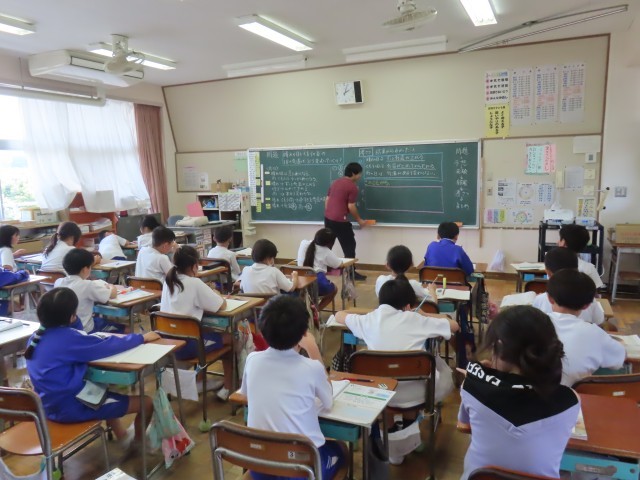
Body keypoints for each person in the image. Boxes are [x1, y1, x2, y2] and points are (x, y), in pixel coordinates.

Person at [335, 278, 459, 464]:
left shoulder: (368, 320)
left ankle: (393, 444)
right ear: (408, 305)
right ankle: (409, 435)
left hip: (380, 394)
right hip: (419, 393)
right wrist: (425, 314)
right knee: (432, 370)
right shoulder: (416, 319)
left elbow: (339, 315)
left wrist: (367, 314)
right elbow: (454, 326)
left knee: (388, 383)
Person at [25, 288, 159, 448]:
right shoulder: (69, 339)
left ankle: (122, 436)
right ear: (71, 316)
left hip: (48, 406)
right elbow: (107, 346)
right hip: (72, 407)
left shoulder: (35, 338)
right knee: (147, 402)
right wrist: (141, 338)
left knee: (101, 389)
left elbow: (79, 335)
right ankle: (137, 445)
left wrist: (72, 320)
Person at [458, 306, 580, 479]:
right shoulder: (570, 400)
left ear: (499, 347)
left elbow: (464, 423)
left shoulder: (472, 387)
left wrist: (484, 377)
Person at [240, 295, 343, 480]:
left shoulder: (252, 360)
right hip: (302, 470)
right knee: (340, 450)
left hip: (260, 465)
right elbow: (328, 403)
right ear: (303, 333)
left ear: (262, 330)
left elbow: (245, 395)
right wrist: (313, 350)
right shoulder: (311, 368)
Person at [160, 245, 233, 401]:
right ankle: (228, 387)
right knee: (230, 338)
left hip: (167, 344)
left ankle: (200, 381)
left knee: (204, 332)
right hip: (186, 347)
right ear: (194, 266)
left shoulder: (169, 281)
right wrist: (215, 293)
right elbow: (222, 305)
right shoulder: (194, 283)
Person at [547, 269, 625, 386]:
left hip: (527, 393)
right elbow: (618, 360)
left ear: (549, 298)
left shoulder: (532, 323)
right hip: (574, 394)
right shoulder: (594, 332)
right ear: (587, 305)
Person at [54, 248, 122, 333]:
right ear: (85, 269)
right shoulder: (87, 285)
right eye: (90, 267)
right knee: (124, 328)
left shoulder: (58, 282)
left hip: (65, 329)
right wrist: (111, 286)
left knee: (98, 319)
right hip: (86, 329)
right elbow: (113, 294)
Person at [532, 247, 604, 325]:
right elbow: (599, 322)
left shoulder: (540, 300)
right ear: (577, 268)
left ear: (548, 272)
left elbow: (534, 323)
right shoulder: (588, 299)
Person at [324, 162, 367, 281]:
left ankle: (322, 268)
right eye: (359, 174)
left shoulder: (335, 182)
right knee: (349, 246)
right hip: (340, 221)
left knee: (327, 245)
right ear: (353, 173)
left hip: (328, 218)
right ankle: (351, 273)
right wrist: (359, 220)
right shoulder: (352, 187)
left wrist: (329, 213)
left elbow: (327, 199)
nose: (360, 176)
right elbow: (351, 206)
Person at [296, 228, 342, 311]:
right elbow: (338, 264)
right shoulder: (326, 251)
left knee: (309, 292)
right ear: (330, 242)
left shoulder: (304, 243)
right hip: (316, 283)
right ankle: (316, 311)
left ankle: (308, 309)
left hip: (300, 282)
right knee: (334, 289)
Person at [558, 224, 604, 288]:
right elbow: (595, 291)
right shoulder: (589, 268)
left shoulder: (553, 264)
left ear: (563, 242)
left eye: (560, 239)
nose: (558, 242)